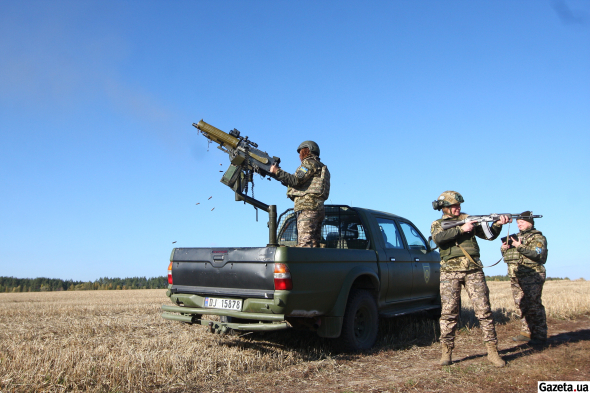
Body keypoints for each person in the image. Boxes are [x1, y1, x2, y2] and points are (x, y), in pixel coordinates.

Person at [430, 191, 510, 367]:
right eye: (453, 206)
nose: (458, 208)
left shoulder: (470, 219)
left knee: (484, 311)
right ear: (444, 208)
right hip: (450, 272)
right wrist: (461, 229)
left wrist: (498, 224)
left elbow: (489, 236)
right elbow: (439, 238)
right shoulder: (438, 224)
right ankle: (447, 352)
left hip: (473, 270)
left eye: (458, 205)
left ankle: (492, 351)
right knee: (449, 313)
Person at [270, 141, 330, 247]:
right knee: (313, 245)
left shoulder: (309, 163)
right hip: (317, 209)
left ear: (307, 151)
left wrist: (277, 172)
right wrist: (278, 175)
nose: (299, 156)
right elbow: (298, 185)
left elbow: (296, 180)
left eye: (301, 152)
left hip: (308, 210)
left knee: (305, 246)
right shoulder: (320, 166)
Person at [501, 211, 548, 345]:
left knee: (534, 305)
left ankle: (539, 335)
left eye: (522, 222)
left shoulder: (537, 238)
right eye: (518, 223)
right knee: (521, 305)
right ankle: (526, 332)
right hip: (516, 276)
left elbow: (537, 255)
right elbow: (510, 257)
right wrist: (504, 248)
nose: (519, 225)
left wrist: (519, 246)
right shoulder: (515, 237)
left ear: (530, 223)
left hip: (532, 275)